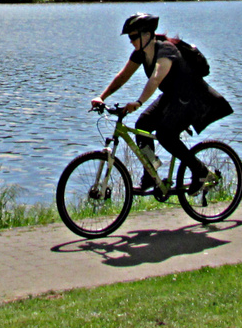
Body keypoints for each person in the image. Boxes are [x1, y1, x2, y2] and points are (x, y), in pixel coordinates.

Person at [92, 12, 233, 193]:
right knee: (142, 125)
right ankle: (151, 176)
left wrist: (139, 101)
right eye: (129, 37)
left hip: (192, 97)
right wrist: (101, 97)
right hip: (172, 96)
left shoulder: (166, 50)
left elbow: (156, 78)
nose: (130, 40)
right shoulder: (140, 54)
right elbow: (122, 77)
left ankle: (201, 172)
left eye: (134, 36)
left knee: (166, 134)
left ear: (147, 35)